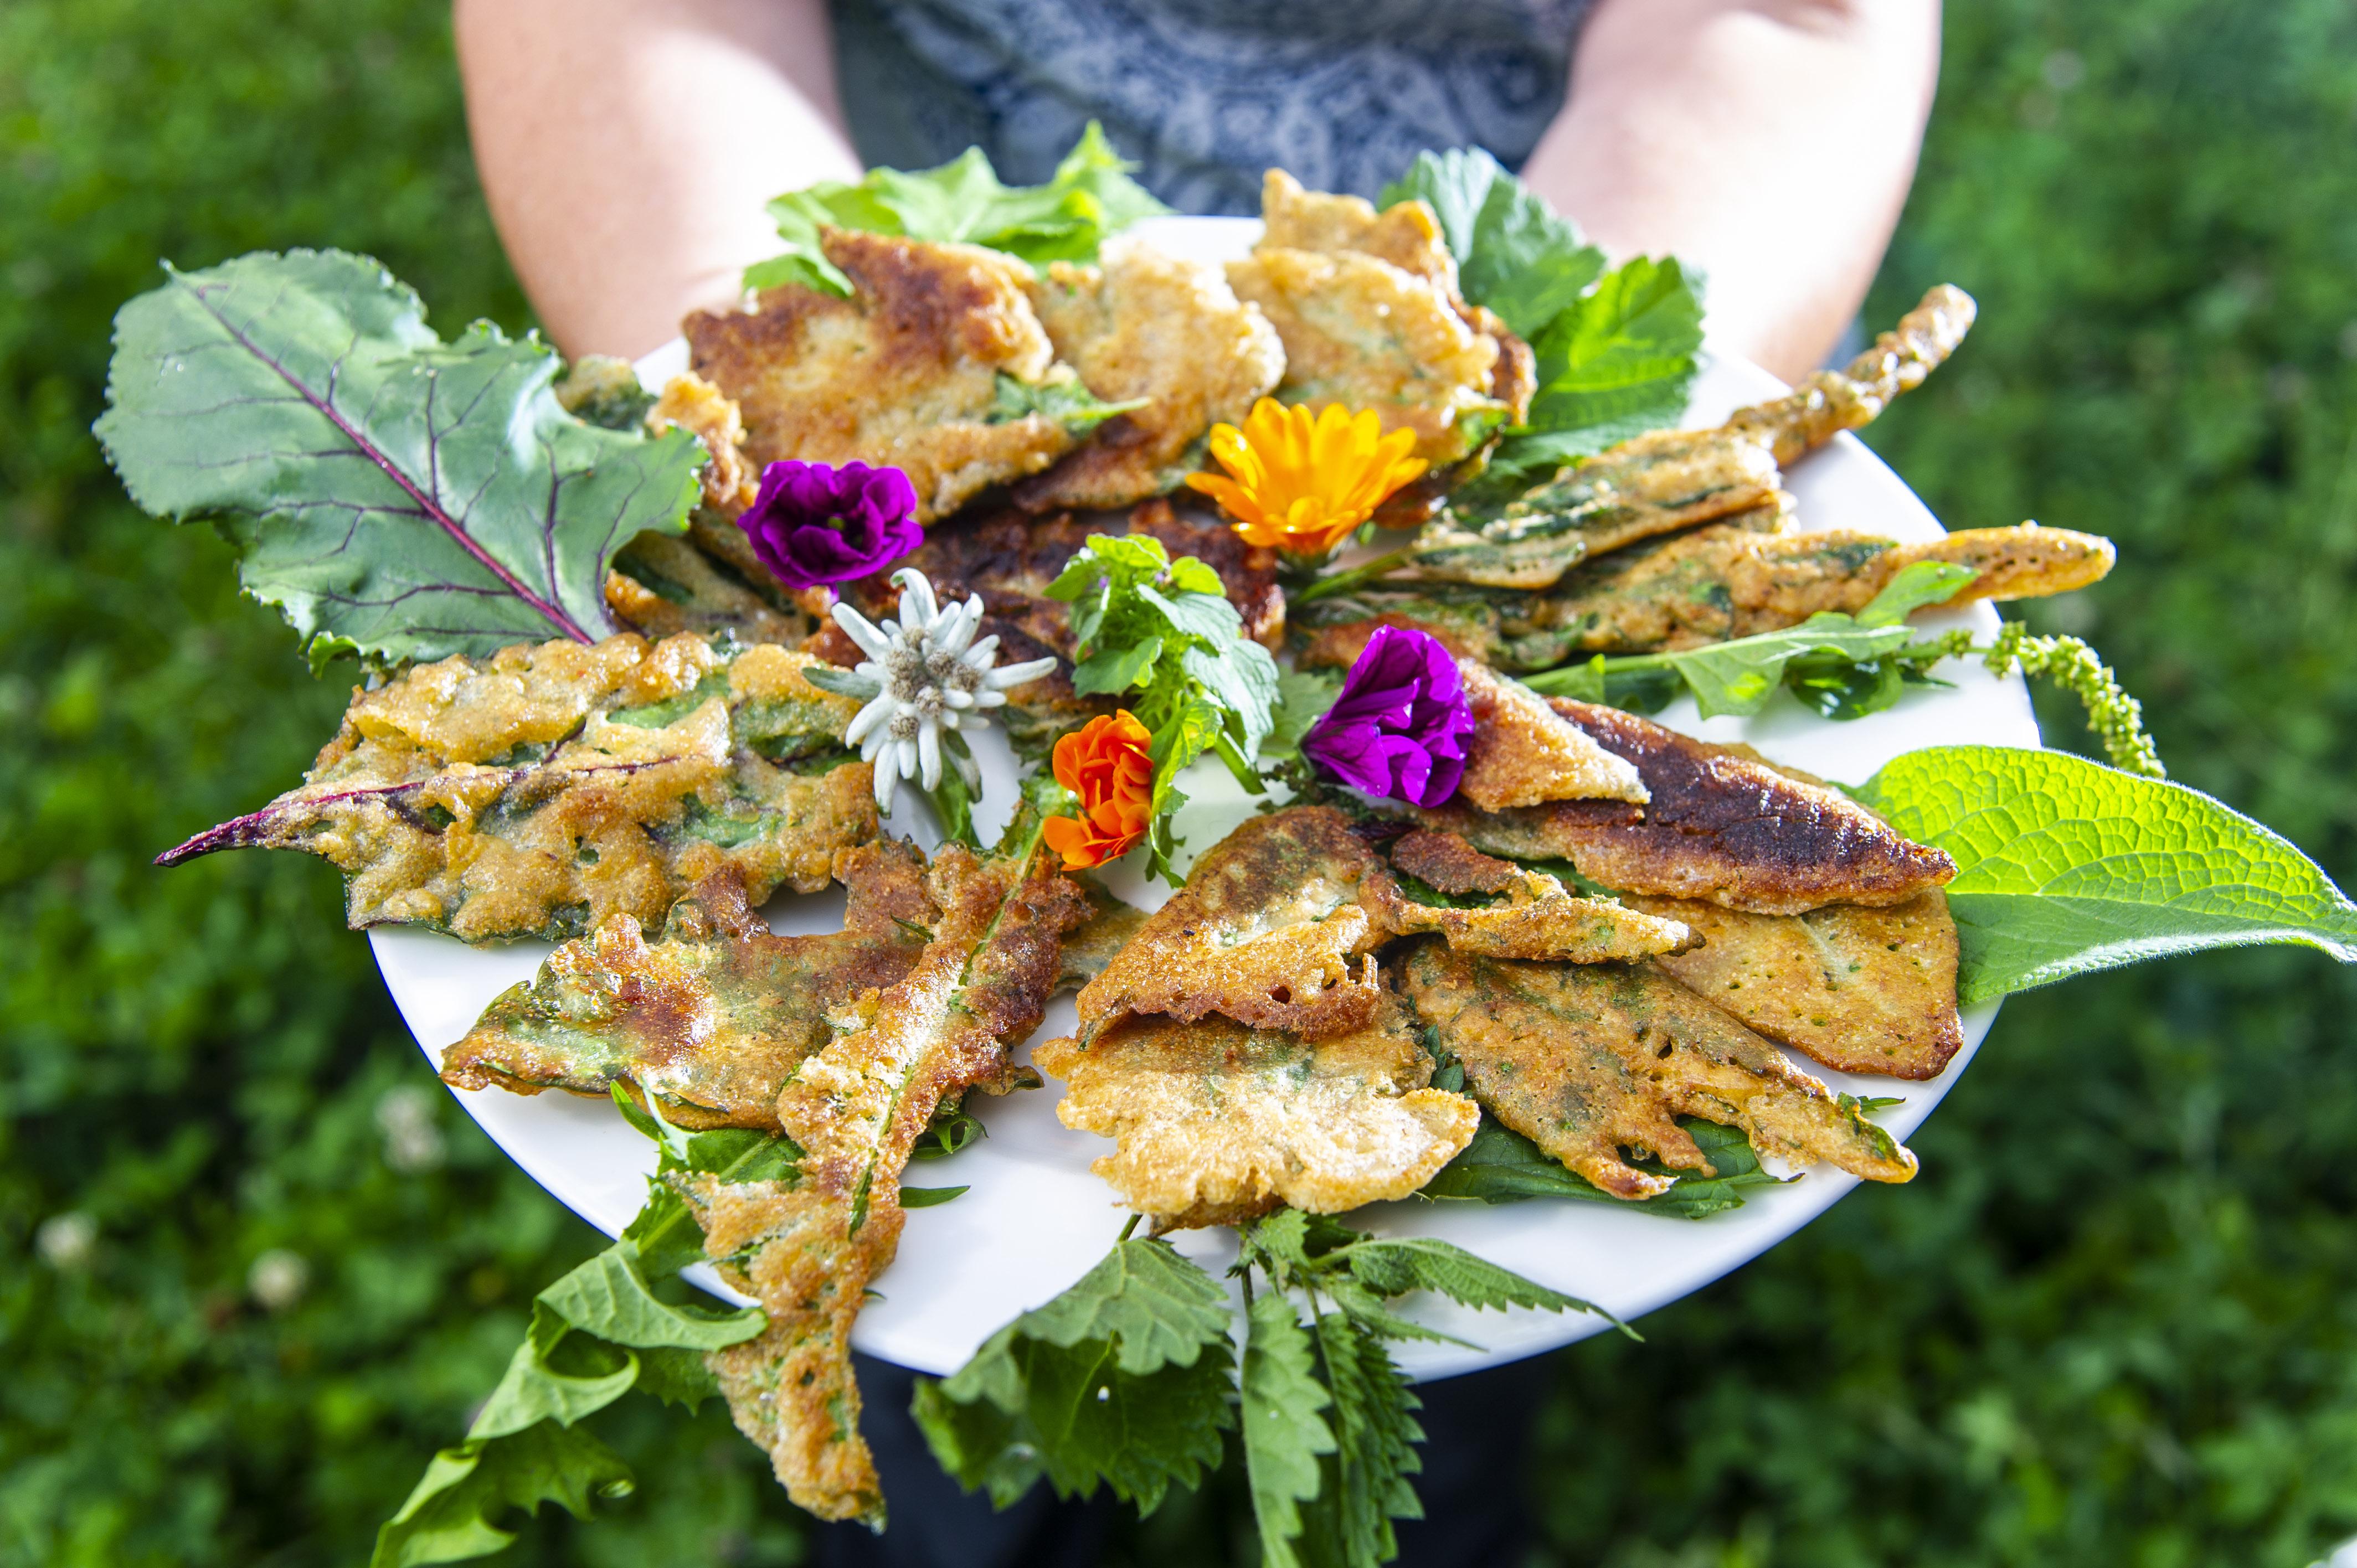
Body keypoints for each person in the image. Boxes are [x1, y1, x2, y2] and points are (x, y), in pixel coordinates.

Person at [450, 4, 1940, 1562]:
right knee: (953, 1414)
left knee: (1462, 1327)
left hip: (1597, 249)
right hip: (882, 258)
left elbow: (1786, 22)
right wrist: (786, 442)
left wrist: (1538, 444)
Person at [455, 0, 1939, 382]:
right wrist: (802, 386)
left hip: (1579, 215)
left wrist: (1563, 449)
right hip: (909, 212)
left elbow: (1780, 21)